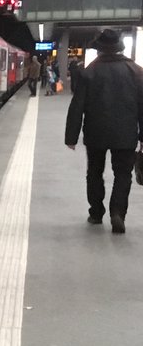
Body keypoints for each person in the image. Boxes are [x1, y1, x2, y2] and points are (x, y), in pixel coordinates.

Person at [64, 29, 143, 233]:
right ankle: (117, 213)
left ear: (100, 49)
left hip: (95, 133)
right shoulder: (136, 71)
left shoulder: (90, 71)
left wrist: (71, 137)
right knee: (123, 174)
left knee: (95, 172)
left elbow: (77, 105)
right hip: (126, 135)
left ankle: (96, 212)